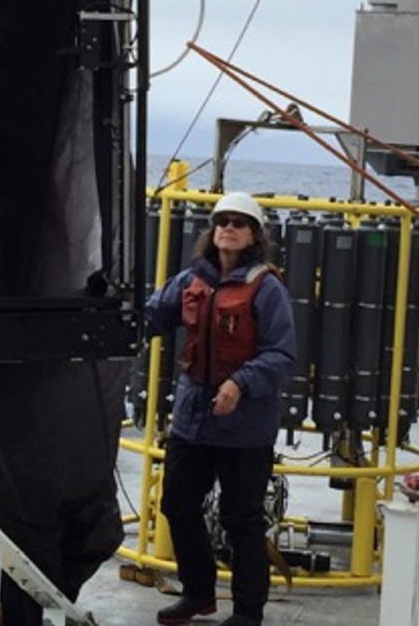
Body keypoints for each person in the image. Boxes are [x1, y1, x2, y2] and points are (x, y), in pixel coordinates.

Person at [145, 192, 296, 626]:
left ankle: (247, 612)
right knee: (178, 504)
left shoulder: (267, 289)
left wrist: (239, 383)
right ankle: (198, 594)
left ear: (253, 235)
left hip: (245, 429)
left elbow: (281, 354)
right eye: (222, 221)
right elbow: (154, 313)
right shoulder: (193, 279)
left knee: (241, 519)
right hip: (194, 420)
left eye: (238, 222)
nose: (228, 227)